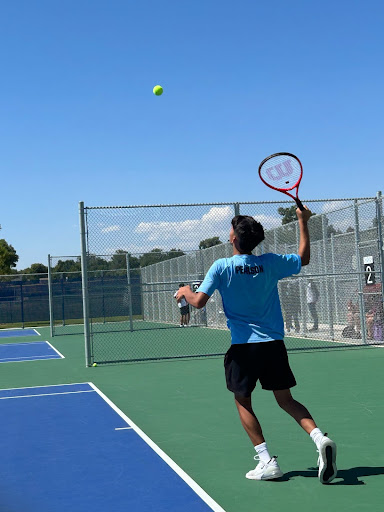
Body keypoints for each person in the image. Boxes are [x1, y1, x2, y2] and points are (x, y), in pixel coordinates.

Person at [176, 208, 337, 484]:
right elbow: (304, 258)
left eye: (230, 232)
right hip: (273, 345)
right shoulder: (271, 262)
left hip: (243, 348)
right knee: (286, 400)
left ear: (236, 240)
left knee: (243, 402)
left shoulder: (222, 266)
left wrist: (185, 292)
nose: (228, 235)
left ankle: (266, 461)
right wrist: (302, 221)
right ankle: (320, 438)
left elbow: (199, 302)